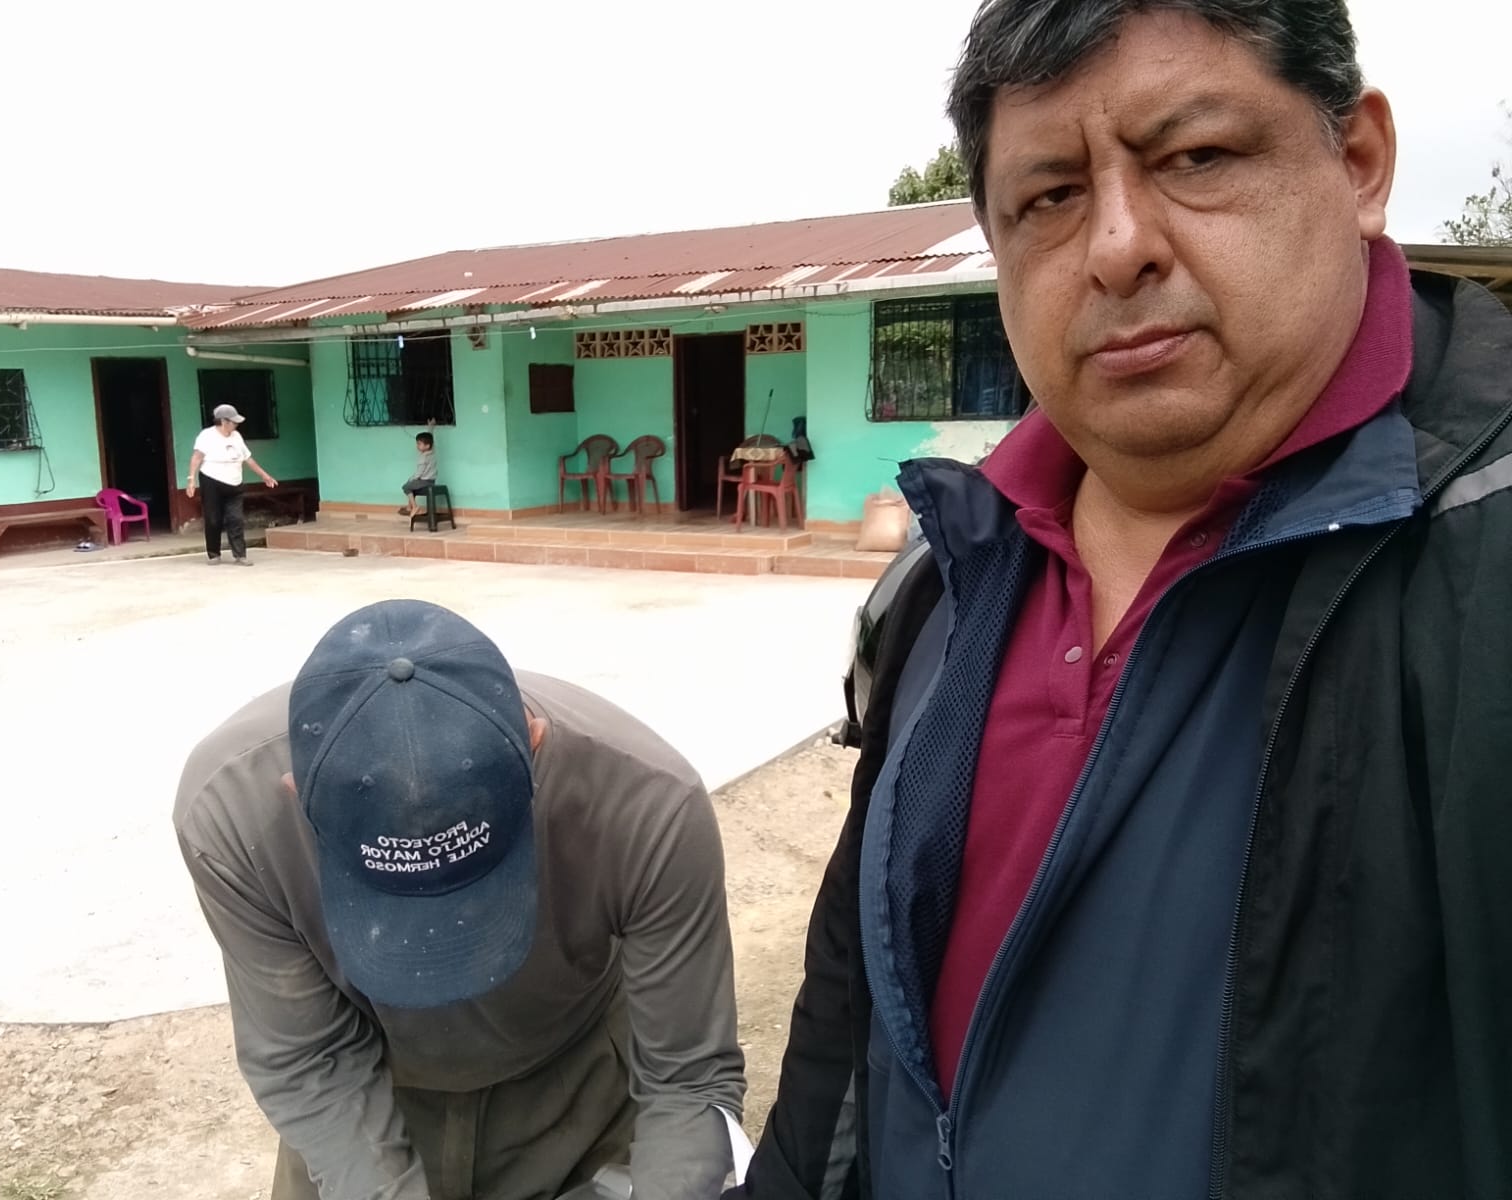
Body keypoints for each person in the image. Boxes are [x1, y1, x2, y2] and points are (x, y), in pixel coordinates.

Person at [742, 2, 1512, 1198]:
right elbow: (846, 1028)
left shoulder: (1481, 564)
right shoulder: (949, 575)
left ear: (1358, 163)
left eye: (1196, 157)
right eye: (1048, 196)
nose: (1115, 246)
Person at [175, 599, 747, 1200]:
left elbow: (686, 1079)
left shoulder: (647, 806)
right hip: (367, 1095)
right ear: (298, 794)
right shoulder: (232, 812)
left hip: (577, 1082)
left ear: (533, 744)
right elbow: (311, 1059)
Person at [186, 402, 277, 566]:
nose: (236, 424)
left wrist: (264, 476)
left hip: (235, 483)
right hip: (211, 481)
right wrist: (191, 479)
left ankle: (240, 555)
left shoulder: (236, 436)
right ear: (223, 421)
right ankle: (214, 554)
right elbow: (196, 458)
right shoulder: (207, 436)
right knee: (213, 519)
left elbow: (248, 458)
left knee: (236, 519)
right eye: (233, 421)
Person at [400, 419, 438, 518]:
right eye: (417, 443)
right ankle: (409, 507)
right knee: (411, 485)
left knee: (406, 487)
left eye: (419, 444)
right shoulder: (432, 451)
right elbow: (430, 437)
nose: (417, 446)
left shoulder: (423, 458)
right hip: (432, 481)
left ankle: (415, 507)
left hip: (424, 482)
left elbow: (419, 474)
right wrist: (431, 427)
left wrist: (411, 478)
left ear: (427, 446)